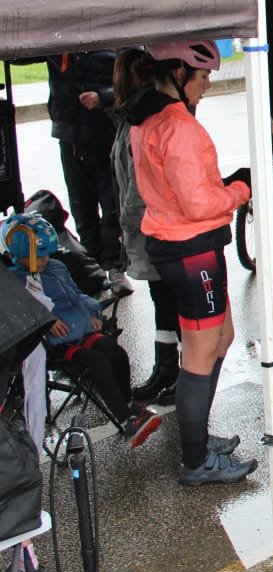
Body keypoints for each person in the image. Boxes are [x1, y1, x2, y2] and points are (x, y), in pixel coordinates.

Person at [131, 40, 254, 485]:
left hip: (183, 245)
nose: (206, 87)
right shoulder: (178, 126)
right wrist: (242, 190)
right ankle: (195, 459)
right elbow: (198, 202)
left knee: (222, 338)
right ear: (181, 74)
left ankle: (197, 433)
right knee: (201, 354)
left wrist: (226, 186)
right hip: (190, 249)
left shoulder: (147, 118)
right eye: (202, 78)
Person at [1, 213, 160, 449]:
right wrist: (44, 321)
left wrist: (94, 313)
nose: (45, 260)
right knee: (97, 362)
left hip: (81, 329)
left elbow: (77, 296)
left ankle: (128, 404)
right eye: (39, 255)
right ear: (19, 255)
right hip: (55, 345)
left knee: (116, 354)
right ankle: (126, 421)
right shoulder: (14, 281)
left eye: (47, 254)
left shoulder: (56, 267)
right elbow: (16, 318)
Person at [110, 49, 181, 405]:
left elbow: (138, 188)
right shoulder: (132, 119)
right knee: (162, 301)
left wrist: (126, 226)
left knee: (170, 299)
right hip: (147, 230)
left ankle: (178, 373)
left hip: (154, 230)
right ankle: (166, 369)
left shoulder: (144, 121)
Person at [43, 50, 126, 276]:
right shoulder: (58, 41)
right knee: (81, 206)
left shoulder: (111, 41)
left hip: (105, 134)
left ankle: (114, 266)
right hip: (69, 136)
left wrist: (104, 97)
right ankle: (93, 266)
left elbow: (135, 81)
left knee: (112, 206)